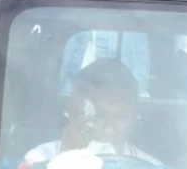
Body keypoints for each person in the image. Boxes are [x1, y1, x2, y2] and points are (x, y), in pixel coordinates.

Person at [20, 59, 160, 168]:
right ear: (75, 113)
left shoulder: (150, 165)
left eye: (120, 116)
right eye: (99, 115)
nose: (108, 127)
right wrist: (66, 154)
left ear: (134, 117)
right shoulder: (40, 157)